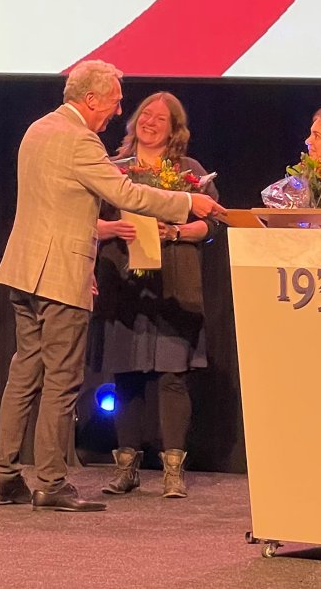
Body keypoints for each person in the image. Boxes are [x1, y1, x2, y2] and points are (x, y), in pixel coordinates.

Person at [0, 63, 225, 513]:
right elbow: (128, 195)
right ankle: (51, 482)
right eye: (115, 100)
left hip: (24, 269)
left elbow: (58, 205)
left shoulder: (38, 128)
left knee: (23, 373)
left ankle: (4, 476)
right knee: (61, 381)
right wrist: (189, 201)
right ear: (91, 98)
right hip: (58, 275)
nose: (119, 110)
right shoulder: (80, 139)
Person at [94, 92, 219, 499]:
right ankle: (127, 469)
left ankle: (172, 472)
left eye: (160, 119)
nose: (150, 122)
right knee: (126, 374)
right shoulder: (113, 170)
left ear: (174, 129)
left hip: (175, 282)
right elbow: (86, 220)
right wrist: (114, 229)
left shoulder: (189, 172)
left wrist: (176, 231)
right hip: (125, 280)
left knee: (172, 376)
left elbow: (212, 224)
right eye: (145, 114)